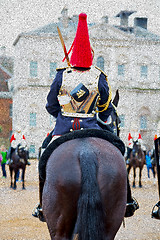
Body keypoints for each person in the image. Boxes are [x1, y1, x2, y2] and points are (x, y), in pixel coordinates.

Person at [32, 12, 139, 220]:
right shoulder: (99, 76)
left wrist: (63, 113)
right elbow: (105, 108)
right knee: (118, 151)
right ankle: (127, 200)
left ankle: (42, 206)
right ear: (90, 55)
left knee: (44, 155)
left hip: (63, 130)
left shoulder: (62, 74)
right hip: (93, 129)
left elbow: (50, 105)